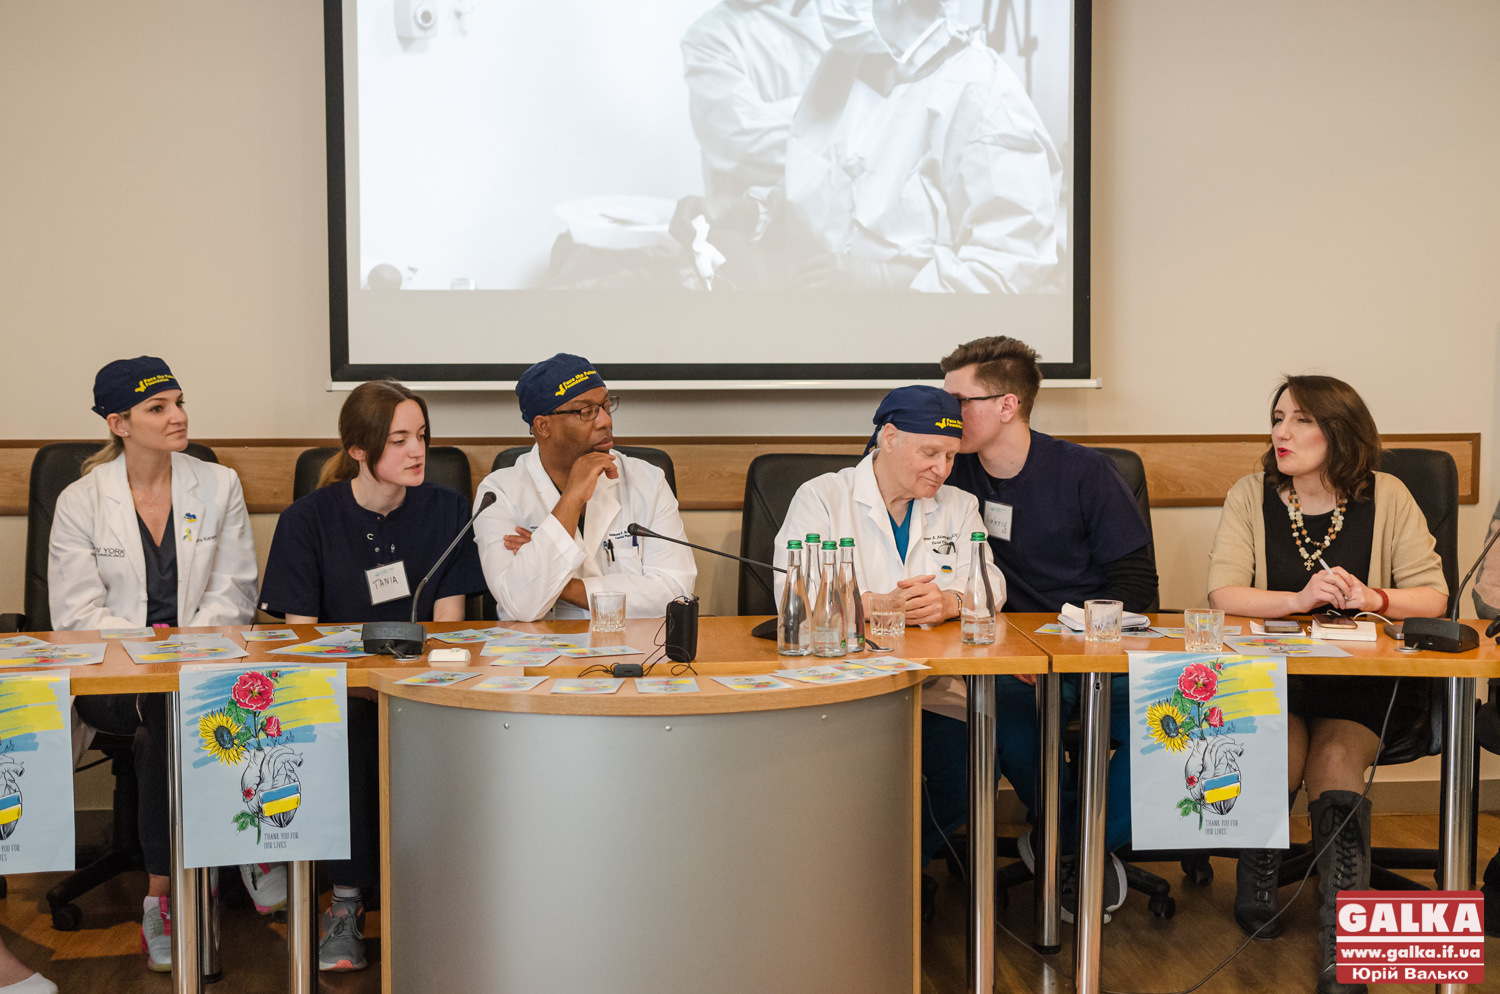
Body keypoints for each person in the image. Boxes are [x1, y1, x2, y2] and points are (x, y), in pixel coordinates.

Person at [1207, 375, 1447, 994]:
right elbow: (1224, 593)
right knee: (1278, 745)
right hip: (1275, 677)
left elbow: (1434, 595)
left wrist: (1374, 597)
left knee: (1336, 755)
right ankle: (1261, 868)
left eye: (1301, 420)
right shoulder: (1251, 494)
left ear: (1340, 432)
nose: (1281, 432)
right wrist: (1298, 598)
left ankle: (1347, 932)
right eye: (1277, 418)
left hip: (1363, 682)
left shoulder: (1388, 495)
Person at [258, 379, 486, 972]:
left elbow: (450, 628)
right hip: (342, 694)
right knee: (356, 730)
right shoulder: (308, 519)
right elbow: (300, 642)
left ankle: (447, 905)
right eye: (400, 439)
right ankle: (346, 904)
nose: (417, 451)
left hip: (423, 688)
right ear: (359, 449)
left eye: (423, 436)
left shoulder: (447, 509)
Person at [49, 356, 259, 972]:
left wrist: (182, 651)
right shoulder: (82, 501)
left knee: (162, 725)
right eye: (158, 407)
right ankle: (238, 852)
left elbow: (236, 592)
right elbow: (77, 615)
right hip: (112, 678)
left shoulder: (218, 485)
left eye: (179, 402)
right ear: (119, 423)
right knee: (167, 707)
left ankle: (160, 898)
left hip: (198, 672)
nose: (179, 416)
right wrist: (157, 648)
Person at [940, 335, 1156, 923]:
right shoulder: (950, 474)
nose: (947, 415)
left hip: (1091, 649)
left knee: (1174, 721)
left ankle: (1074, 847)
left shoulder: (1086, 472)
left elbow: (1137, 584)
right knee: (1004, 717)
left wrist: (1069, 646)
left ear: (1007, 405)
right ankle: (1074, 848)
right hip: (1009, 658)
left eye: (960, 402)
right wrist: (1022, 651)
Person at [773, 385, 1005, 912]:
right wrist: (869, 604)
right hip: (845, 688)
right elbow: (790, 591)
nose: (942, 469)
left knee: (971, 771)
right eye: (930, 453)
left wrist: (950, 601)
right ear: (890, 438)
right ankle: (849, 880)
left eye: (951, 456)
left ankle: (889, 873)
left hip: (932, 684)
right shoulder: (823, 496)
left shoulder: (959, 505)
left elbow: (991, 581)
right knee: (851, 779)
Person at [780, 0, 1063, 291]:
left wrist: (880, 280)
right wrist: (766, 212)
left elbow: (1006, 268)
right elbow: (821, 183)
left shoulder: (985, 96)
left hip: (912, 320)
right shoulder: (840, 65)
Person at [474, 354, 696, 621]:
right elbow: (520, 605)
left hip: (632, 644)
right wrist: (572, 496)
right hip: (541, 646)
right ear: (543, 426)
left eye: (605, 406)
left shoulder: (647, 480)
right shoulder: (499, 493)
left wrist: (561, 585)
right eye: (586, 411)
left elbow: (676, 594)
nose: (605, 421)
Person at [681, 0, 828, 199]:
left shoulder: (848, 20)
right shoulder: (709, 36)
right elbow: (746, 146)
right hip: (753, 212)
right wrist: (838, 122)